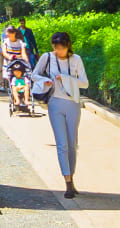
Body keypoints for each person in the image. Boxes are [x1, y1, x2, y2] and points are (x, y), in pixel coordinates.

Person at [34, 31, 91, 197]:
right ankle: (67, 182)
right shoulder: (47, 57)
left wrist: (65, 78)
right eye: (55, 47)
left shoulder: (76, 59)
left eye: (61, 48)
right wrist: (44, 80)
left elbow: (84, 83)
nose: (58, 51)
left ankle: (71, 177)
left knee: (72, 144)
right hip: (55, 103)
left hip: (72, 103)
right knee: (62, 144)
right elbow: (33, 74)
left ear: (68, 46)